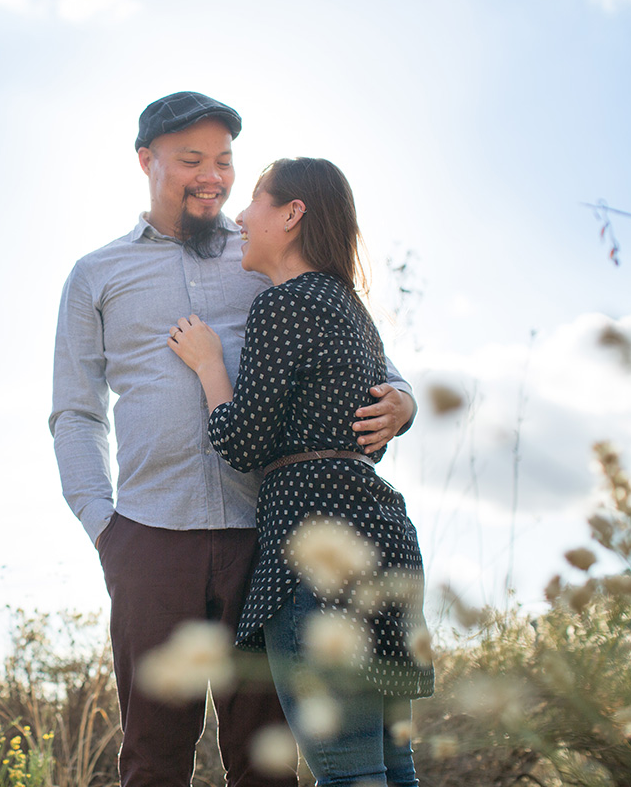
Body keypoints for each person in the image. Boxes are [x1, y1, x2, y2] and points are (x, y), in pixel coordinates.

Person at [49, 93, 418, 787]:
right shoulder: (96, 275)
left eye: (223, 161)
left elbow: (361, 348)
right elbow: (76, 413)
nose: (212, 177)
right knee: (154, 754)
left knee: (266, 751)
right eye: (191, 160)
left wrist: (404, 400)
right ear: (146, 161)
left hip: (270, 535)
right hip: (150, 535)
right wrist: (105, 527)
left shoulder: (264, 251)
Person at [167, 157, 435, 786]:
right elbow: (368, 428)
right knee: (396, 769)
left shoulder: (283, 305)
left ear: (291, 215)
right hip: (385, 542)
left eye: (255, 201)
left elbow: (244, 440)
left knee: (347, 774)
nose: (240, 215)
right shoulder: (351, 309)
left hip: (316, 552)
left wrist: (209, 365)